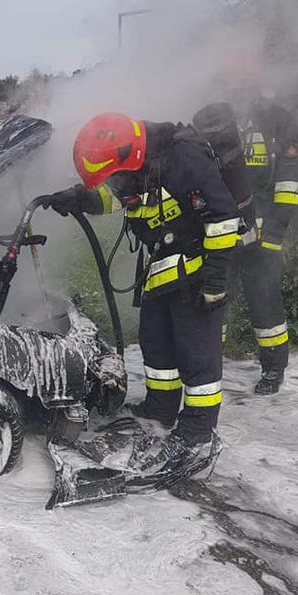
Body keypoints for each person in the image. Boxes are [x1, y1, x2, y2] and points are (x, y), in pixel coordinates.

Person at [43, 113, 241, 468]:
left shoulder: (184, 158)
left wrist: (215, 279)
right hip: (164, 267)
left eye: (114, 175)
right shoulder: (135, 168)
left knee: (196, 354)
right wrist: (78, 198)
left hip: (198, 269)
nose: (114, 184)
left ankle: (198, 430)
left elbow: (223, 217)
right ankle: (160, 411)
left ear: (129, 159)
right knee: (156, 343)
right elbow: (118, 197)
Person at [219, 58, 298, 394]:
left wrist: (276, 233)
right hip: (221, 232)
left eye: (243, 85)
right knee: (214, 299)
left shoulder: (279, 121)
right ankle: (207, 365)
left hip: (264, 232)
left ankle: (273, 369)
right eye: (231, 85)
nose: (237, 91)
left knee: (264, 298)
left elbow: (289, 181)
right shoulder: (216, 122)